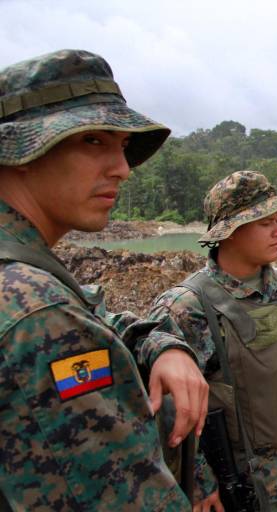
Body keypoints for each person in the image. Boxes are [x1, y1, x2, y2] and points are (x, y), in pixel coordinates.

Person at [0, 49, 209, 510]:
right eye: (93, 141)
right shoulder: (39, 314)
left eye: (121, 145)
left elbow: (96, 314)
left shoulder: (31, 282)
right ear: (20, 153)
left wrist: (160, 344)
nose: (122, 167)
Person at [146, 171, 277, 511]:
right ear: (229, 232)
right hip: (243, 486)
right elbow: (170, 410)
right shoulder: (188, 307)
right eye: (264, 223)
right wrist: (201, 484)